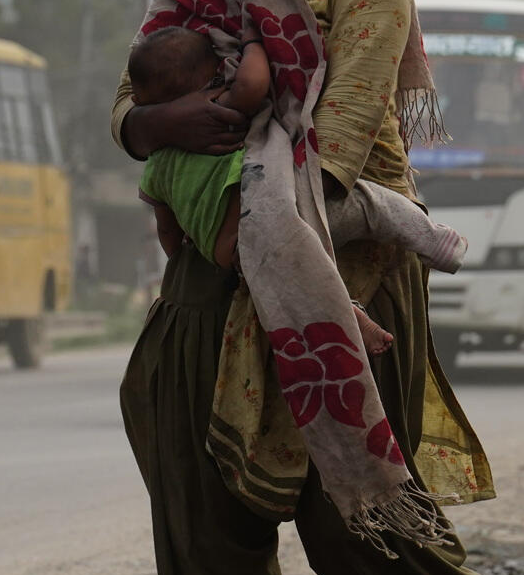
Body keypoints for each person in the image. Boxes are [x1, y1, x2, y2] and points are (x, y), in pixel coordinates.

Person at [116, 0, 491, 575]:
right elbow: (127, 109)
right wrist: (161, 118)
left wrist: (270, 243)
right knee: (205, 536)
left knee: (364, 541)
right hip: (210, 289)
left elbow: (347, 127)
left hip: (342, 269)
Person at [127, 24, 468, 354]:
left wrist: (185, 246)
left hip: (237, 254)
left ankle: (348, 316)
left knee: (302, 284)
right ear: (213, 78)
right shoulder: (218, 109)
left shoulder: (156, 165)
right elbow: (253, 83)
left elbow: (167, 228)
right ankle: (431, 239)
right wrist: (252, 41)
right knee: (368, 204)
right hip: (282, 216)